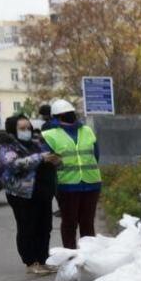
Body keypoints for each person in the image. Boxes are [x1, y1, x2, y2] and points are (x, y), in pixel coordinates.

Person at [0, 114, 59, 272]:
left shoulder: (37, 143)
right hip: (22, 194)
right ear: (13, 130)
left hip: (42, 191)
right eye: (22, 128)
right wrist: (40, 158)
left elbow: (48, 158)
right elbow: (13, 164)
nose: (27, 131)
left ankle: (43, 259)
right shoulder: (7, 146)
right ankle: (31, 262)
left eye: (28, 128)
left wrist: (56, 161)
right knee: (27, 227)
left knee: (45, 227)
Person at [41, 99, 101, 248]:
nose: (69, 115)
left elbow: (96, 154)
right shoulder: (49, 135)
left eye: (70, 113)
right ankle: (70, 256)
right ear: (56, 117)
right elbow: (47, 162)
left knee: (87, 223)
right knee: (69, 223)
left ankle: (89, 256)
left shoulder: (87, 130)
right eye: (66, 114)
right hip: (67, 185)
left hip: (91, 183)